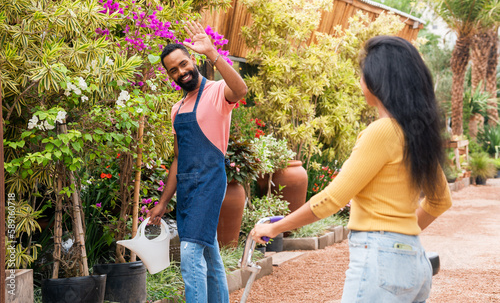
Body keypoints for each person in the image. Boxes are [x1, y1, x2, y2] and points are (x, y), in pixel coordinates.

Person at [251, 36, 453, 303]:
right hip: (415, 262)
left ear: (380, 83)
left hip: (380, 260)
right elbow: (440, 201)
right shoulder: (418, 134)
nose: (360, 82)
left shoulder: (381, 132)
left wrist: (277, 228)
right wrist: (400, 236)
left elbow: (332, 199)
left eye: (363, 75)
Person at [148, 21, 247, 303]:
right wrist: (164, 201)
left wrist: (213, 53)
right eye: (173, 70)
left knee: (190, 253)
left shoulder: (218, 91)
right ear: (170, 75)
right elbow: (179, 159)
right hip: (187, 191)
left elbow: (240, 90)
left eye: (183, 63)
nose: (181, 72)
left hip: (210, 184)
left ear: (193, 60)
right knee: (209, 252)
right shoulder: (176, 109)